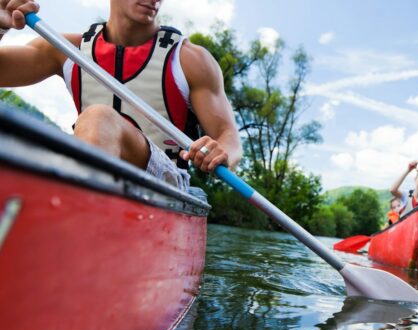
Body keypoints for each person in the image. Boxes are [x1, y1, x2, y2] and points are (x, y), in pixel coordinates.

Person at [0, 0, 242, 192]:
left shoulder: (191, 60)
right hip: (87, 167)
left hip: (165, 182)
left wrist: (221, 152)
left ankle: (68, 216)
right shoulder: (64, 49)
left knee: (98, 118)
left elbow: (229, 137)